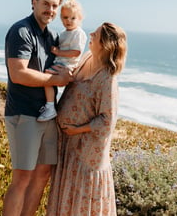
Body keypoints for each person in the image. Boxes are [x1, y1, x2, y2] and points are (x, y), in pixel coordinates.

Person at [3, 0, 72, 216]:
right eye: (46, 3)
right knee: (22, 178)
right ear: (34, 2)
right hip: (24, 114)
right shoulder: (21, 31)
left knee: (42, 175)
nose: (50, 10)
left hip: (48, 115)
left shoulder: (51, 35)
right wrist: (56, 81)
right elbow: (18, 73)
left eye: (55, 6)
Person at [46, 22, 128, 216]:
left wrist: (77, 129)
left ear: (105, 44)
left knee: (80, 202)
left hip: (86, 153)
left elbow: (107, 121)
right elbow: (76, 81)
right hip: (69, 146)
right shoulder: (87, 58)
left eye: (96, 34)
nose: (90, 33)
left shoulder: (107, 78)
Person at [38, 0, 87, 122]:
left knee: (47, 77)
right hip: (61, 62)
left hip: (68, 65)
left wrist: (58, 52)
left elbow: (76, 52)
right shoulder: (64, 33)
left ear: (80, 18)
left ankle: (50, 107)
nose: (68, 21)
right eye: (65, 17)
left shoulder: (78, 33)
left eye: (73, 18)